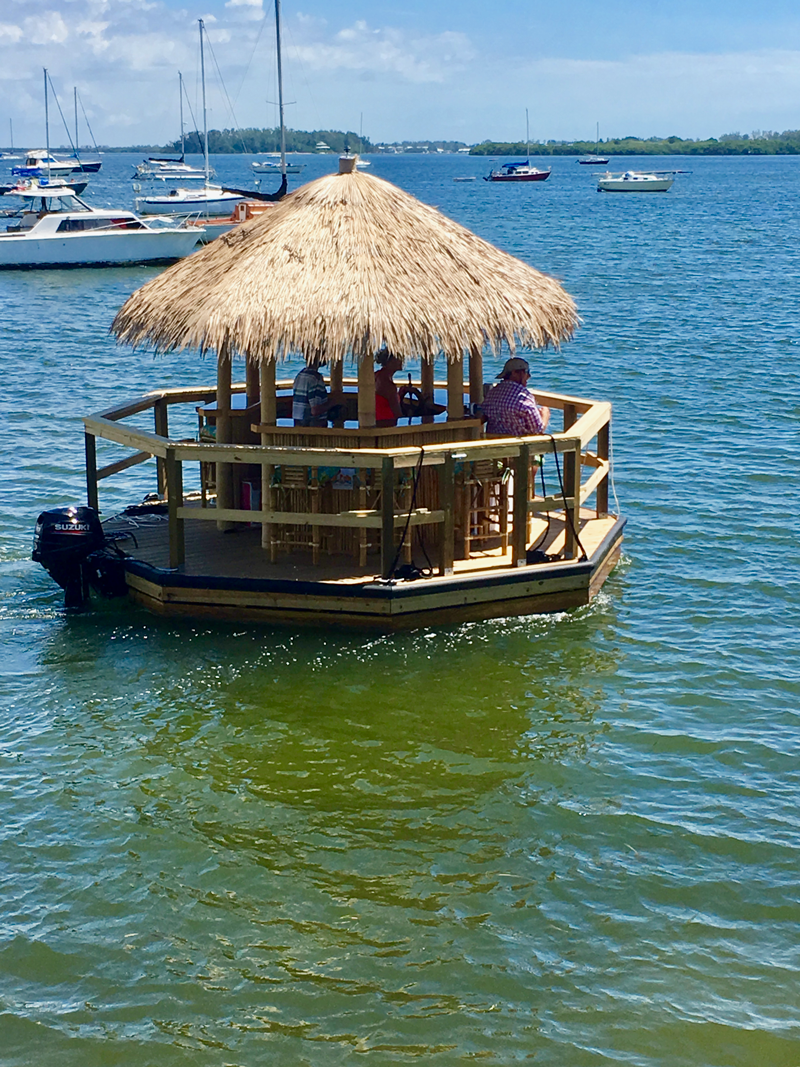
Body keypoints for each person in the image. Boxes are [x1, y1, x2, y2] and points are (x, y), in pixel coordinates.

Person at [481, 357, 550, 436]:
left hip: (493, 444)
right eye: (526, 371)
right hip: (518, 445)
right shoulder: (524, 398)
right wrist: (545, 415)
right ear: (514, 373)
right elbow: (537, 430)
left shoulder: (492, 394)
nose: (528, 376)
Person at [292, 358, 332, 426]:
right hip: (311, 428)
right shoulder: (316, 378)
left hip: (298, 425)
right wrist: (334, 402)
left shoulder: (299, 376)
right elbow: (315, 410)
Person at [374, 350, 403, 426]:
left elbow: (385, 400)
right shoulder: (388, 385)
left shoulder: (377, 375)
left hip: (378, 421)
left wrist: (400, 394)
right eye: (398, 358)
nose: (401, 361)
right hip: (387, 424)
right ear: (390, 362)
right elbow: (397, 413)